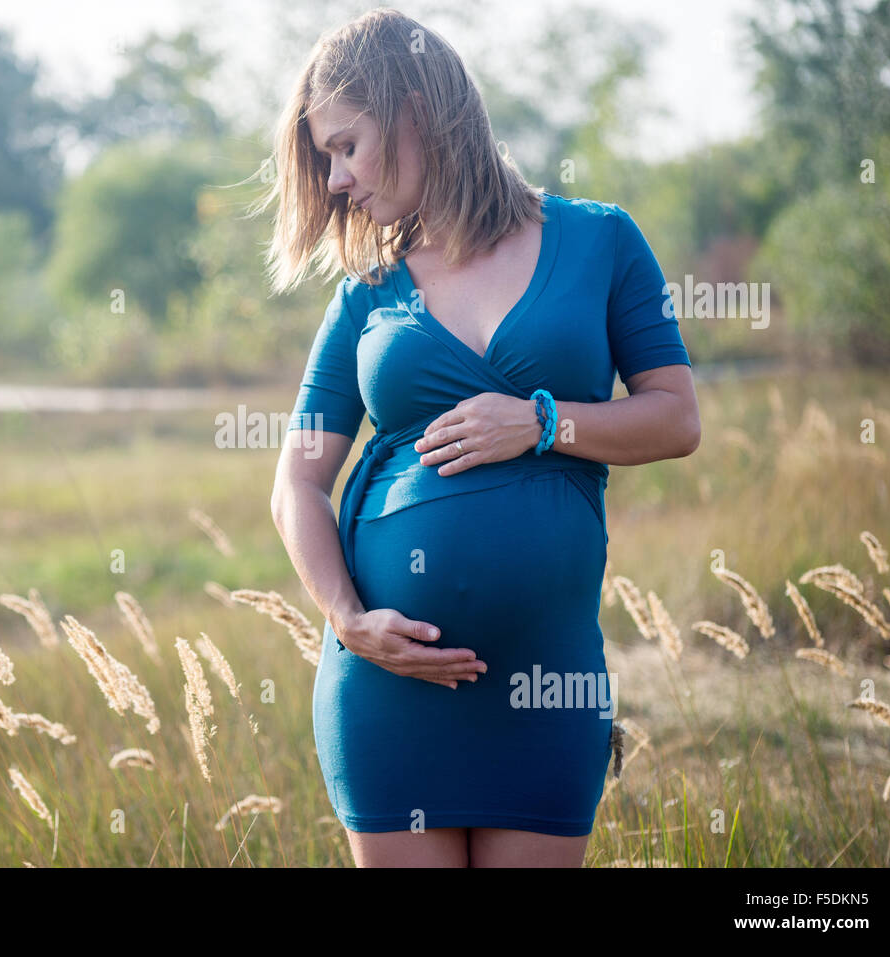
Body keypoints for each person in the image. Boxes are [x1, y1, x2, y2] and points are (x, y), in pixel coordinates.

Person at [261, 9, 701, 868]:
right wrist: (350, 622)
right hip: (389, 686)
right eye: (326, 158)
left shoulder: (601, 241)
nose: (339, 179)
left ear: (416, 107)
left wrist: (545, 421)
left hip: (549, 683)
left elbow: (676, 418)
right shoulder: (366, 293)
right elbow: (296, 483)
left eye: (347, 146)